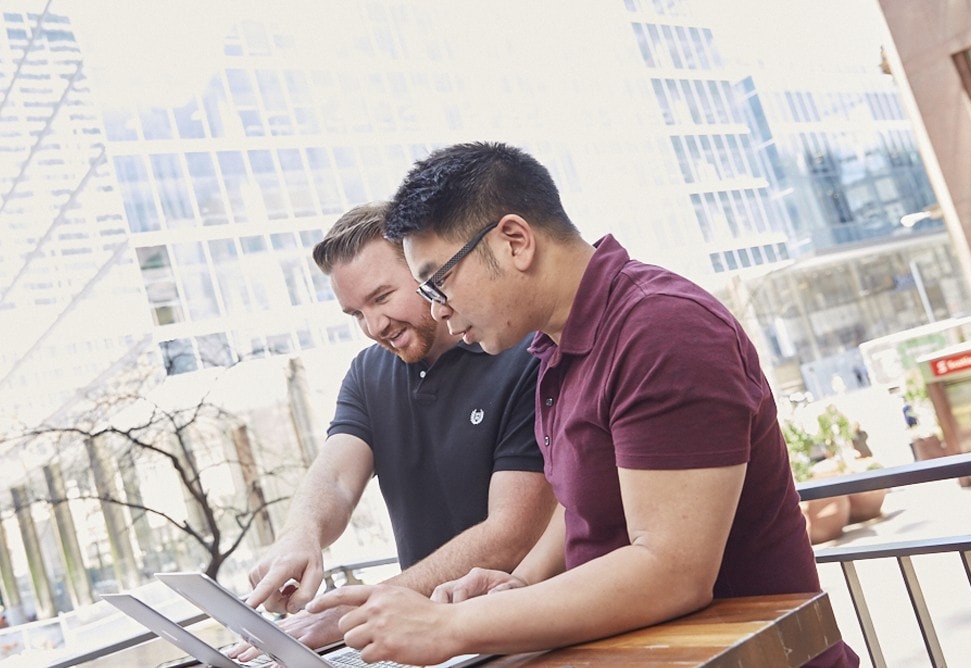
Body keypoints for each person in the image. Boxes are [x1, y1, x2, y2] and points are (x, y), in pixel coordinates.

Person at [309, 143, 858, 667]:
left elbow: (671, 571)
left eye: (438, 281)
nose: (438, 310)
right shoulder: (555, 349)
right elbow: (582, 507)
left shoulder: (662, 329)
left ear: (514, 242)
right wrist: (519, 584)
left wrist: (450, 626)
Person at [235, 202, 554, 656]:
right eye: (355, 313)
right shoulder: (368, 373)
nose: (374, 326)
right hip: (423, 644)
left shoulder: (525, 354)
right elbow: (335, 478)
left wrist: (355, 613)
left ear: (426, 269)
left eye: (382, 297)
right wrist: (299, 534)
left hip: (524, 634)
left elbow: (510, 534)